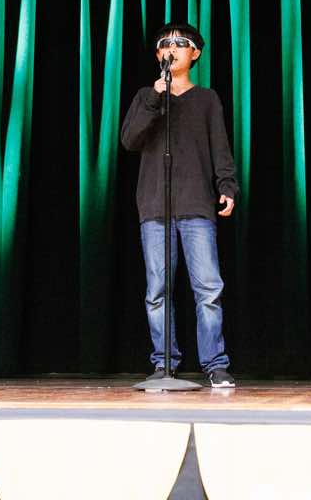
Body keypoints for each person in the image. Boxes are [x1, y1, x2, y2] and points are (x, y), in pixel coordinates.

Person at [120, 22, 238, 388]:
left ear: (195, 53)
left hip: (196, 204)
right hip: (155, 205)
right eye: (165, 44)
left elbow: (220, 146)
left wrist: (227, 185)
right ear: (159, 55)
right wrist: (155, 99)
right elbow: (129, 140)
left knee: (208, 288)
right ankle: (164, 363)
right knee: (157, 291)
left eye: (180, 43)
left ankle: (215, 364)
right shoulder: (147, 96)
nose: (171, 48)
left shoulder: (207, 99)